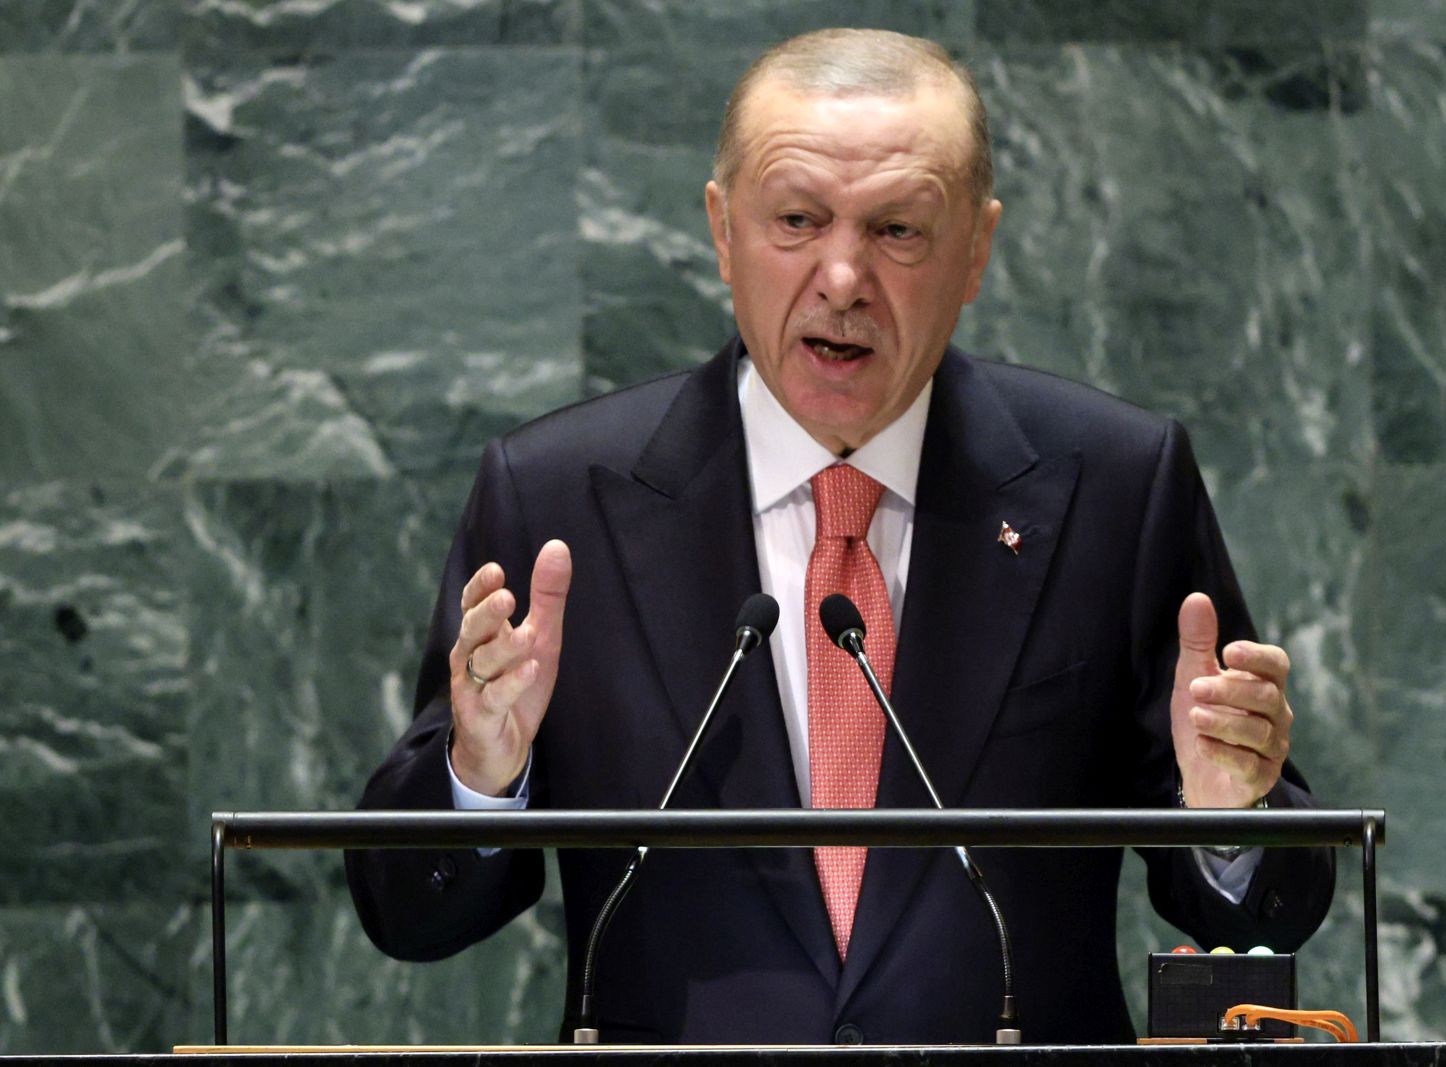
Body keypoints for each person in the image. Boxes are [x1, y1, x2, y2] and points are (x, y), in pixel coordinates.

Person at [346, 28, 1334, 1045]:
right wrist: (481, 772)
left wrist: (1227, 814)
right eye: (795, 220)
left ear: (977, 250)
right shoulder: (560, 499)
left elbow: (1264, 900)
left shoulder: (1113, 487)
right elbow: (408, 913)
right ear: (722, 230)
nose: (842, 276)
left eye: (899, 230)